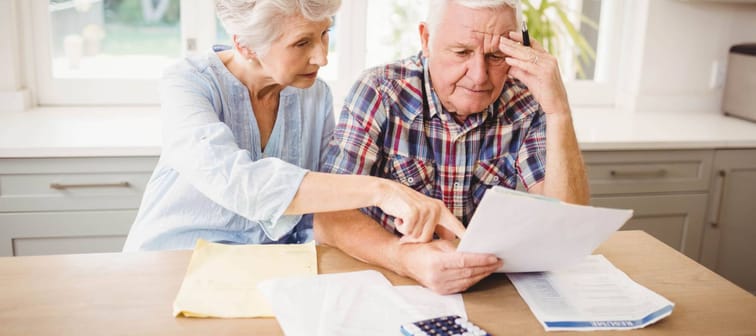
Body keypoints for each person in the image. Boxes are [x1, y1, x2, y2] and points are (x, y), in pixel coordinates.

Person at [123, 0, 465, 252]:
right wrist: (383, 190)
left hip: (267, 270)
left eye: (324, 34)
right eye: (302, 43)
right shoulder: (187, 83)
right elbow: (239, 183)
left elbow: (316, 208)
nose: (322, 57)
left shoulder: (313, 95)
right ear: (245, 44)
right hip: (172, 261)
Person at [315, 0, 590, 294]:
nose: (479, 75)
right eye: (462, 52)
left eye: (496, 55)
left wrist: (558, 111)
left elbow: (567, 226)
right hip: (389, 280)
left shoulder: (525, 100)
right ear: (426, 39)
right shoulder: (380, 91)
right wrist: (403, 257)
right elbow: (328, 217)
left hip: (487, 288)